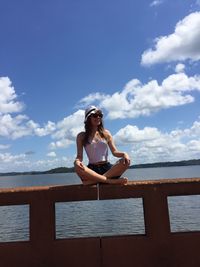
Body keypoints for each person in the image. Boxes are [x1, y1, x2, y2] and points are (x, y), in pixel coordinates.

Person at [74, 105, 130, 185]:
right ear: (88, 118)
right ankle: (110, 181)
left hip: (107, 168)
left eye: (100, 115)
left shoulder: (106, 133)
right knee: (76, 166)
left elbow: (115, 152)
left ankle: (94, 181)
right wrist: (77, 162)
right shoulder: (81, 136)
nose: (98, 117)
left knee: (125, 162)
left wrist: (125, 154)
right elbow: (79, 156)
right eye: (95, 115)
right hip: (92, 169)